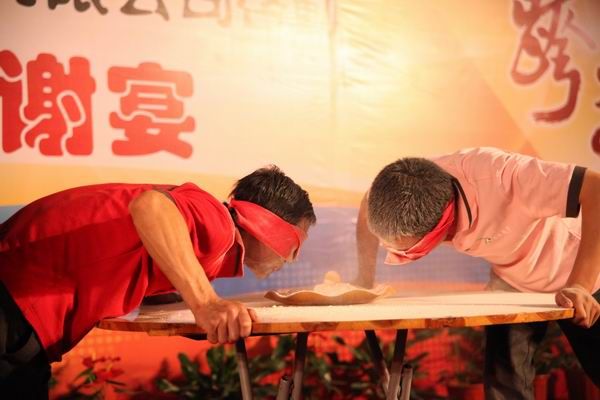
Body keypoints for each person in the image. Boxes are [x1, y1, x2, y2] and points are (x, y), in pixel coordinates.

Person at [0, 165, 316, 398]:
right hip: (15, 295)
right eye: (296, 242)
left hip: (22, 303)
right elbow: (151, 206)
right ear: (268, 224)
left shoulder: (203, 239)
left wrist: (172, 296)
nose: (292, 258)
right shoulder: (217, 221)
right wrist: (206, 303)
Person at [354, 147, 600, 399]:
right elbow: (366, 205)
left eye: (406, 248)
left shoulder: (503, 176)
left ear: (440, 227)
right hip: (513, 280)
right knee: (504, 384)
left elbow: (594, 187)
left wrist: (580, 284)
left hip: (579, 272)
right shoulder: (404, 188)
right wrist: (363, 280)